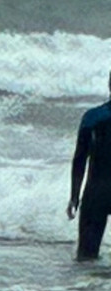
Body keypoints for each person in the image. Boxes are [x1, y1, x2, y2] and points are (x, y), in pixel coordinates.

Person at [68, 70, 111, 261]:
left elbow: (79, 160)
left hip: (96, 192)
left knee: (86, 258)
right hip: (97, 191)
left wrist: (74, 196)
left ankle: (86, 289)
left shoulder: (93, 117)